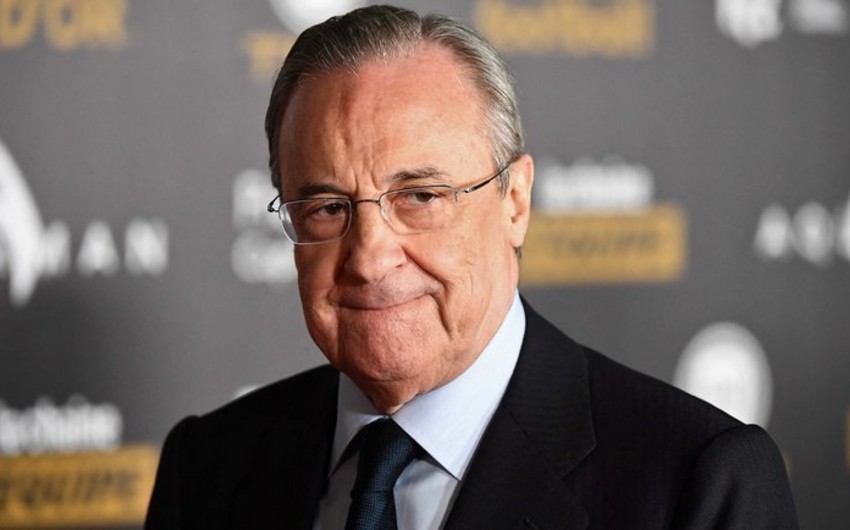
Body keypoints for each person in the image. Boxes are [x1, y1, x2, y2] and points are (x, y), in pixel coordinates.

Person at [145, 5, 798, 529]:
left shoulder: (695, 482)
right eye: (327, 207)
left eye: (420, 196)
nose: (369, 257)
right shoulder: (209, 468)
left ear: (515, 203)